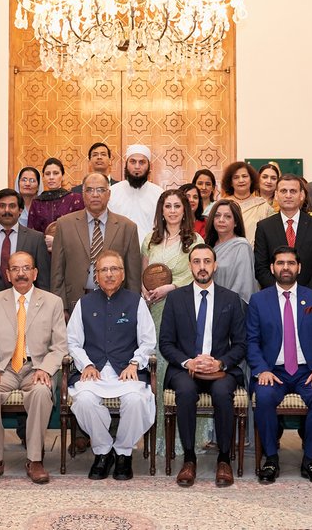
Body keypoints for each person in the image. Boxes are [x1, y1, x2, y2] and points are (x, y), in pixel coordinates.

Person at [0, 251, 67, 485]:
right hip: (3, 369)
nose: (21, 273)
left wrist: (45, 370)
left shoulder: (53, 302)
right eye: (15, 269)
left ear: (35, 273)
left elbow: (59, 346)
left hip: (35, 367)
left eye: (26, 268)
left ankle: (35, 460)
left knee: (40, 392)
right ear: (8, 274)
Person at [158, 244, 246, 487]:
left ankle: (224, 459)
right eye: (197, 262)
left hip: (221, 369)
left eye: (207, 261)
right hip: (186, 368)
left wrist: (220, 362)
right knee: (185, 392)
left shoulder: (230, 298)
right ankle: (189, 459)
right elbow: (166, 342)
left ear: (215, 265)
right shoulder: (176, 298)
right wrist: (189, 362)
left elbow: (240, 343)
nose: (202, 267)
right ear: (190, 266)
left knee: (221, 392)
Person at [247, 246, 312, 485]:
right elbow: (252, 341)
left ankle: (310, 461)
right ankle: (271, 459)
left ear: (299, 267)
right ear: (273, 268)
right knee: (263, 397)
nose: (285, 267)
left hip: (308, 370)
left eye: (290, 263)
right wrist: (261, 369)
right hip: (272, 371)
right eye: (280, 263)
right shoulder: (258, 300)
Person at [66, 250, 156, 481]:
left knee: (136, 400)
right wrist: (86, 364)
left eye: (114, 269)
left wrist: (135, 363)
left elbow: (148, 341)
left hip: (126, 372)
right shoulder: (84, 304)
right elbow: (73, 342)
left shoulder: (136, 302)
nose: (109, 274)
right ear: (96, 276)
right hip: (93, 372)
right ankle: (103, 450)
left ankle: (124, 452)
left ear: (123, 274)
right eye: (103, 270)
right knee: (84, 400)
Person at [141, 189, 203, 453]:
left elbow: (199, 275)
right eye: (168, 206)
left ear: (185, 210)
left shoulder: (194, 239)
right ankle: (156, 437)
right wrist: (145, 291)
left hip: (181, 310)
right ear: (161, 210)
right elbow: (144, 273)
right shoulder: (150, 240)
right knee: (157, 368)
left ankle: (184, 438)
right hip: (153, 311)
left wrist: (172, 287)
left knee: (178, 368)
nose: (173, 210)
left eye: (178, 206)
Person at [50, 173, 142, 313]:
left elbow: (133, 277)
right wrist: (60, 308)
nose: (95, 195)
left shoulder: (127, 227)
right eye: (89, 190)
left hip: (117, 302)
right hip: (75, 302)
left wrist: (132, 308)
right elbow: (57, 272)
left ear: (109, 194)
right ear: (82, 194)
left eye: (100, 190)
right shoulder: (64, 225)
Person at [253, 174, 312, 292]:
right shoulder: (264, 227)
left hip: (309, 296)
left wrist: (306, 293)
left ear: (301, 195)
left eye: (293, 191)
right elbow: (261, 268)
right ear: (276, 195)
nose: (288, 195)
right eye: (283, 191)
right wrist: (280, 293)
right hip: (274, 297)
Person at [0, 188, 50, 296]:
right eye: (2, 206)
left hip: (27, 306)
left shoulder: (36, 239)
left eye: (12, 206)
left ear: (20, 210)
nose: (7, 210)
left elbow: (43, 280)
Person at [108, 144, 164, 241]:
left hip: (150, 251)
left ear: (149, 166)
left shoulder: (159, 194)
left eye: (142, 162)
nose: (137, 166)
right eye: (133, 162)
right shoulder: (112, 192)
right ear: (126, 164)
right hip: (119, 251)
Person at [204, 199, 256, 303]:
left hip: (231, 307)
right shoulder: (209, 247)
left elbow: (242, 285)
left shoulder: (242, 246)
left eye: (227, 216)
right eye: (217, 216)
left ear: (236, 222)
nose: (221, 220)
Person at [26, 157, 83, 242]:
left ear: (63, 176)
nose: (51, 177)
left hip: (69, 250)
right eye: (48, 174)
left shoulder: (75, 199)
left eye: (56, 173)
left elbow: (81, 229)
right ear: (43, 177)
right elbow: (31, 233)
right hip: (43, 250)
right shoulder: (37, 203)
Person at [222, 161, 271, 243]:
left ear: (251, 180)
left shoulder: (262, 205)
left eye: (244, 176)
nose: (241, 180)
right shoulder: (222, 204)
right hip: (226, 252)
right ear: (230, 182)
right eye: (236, 177)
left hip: (255, 254)